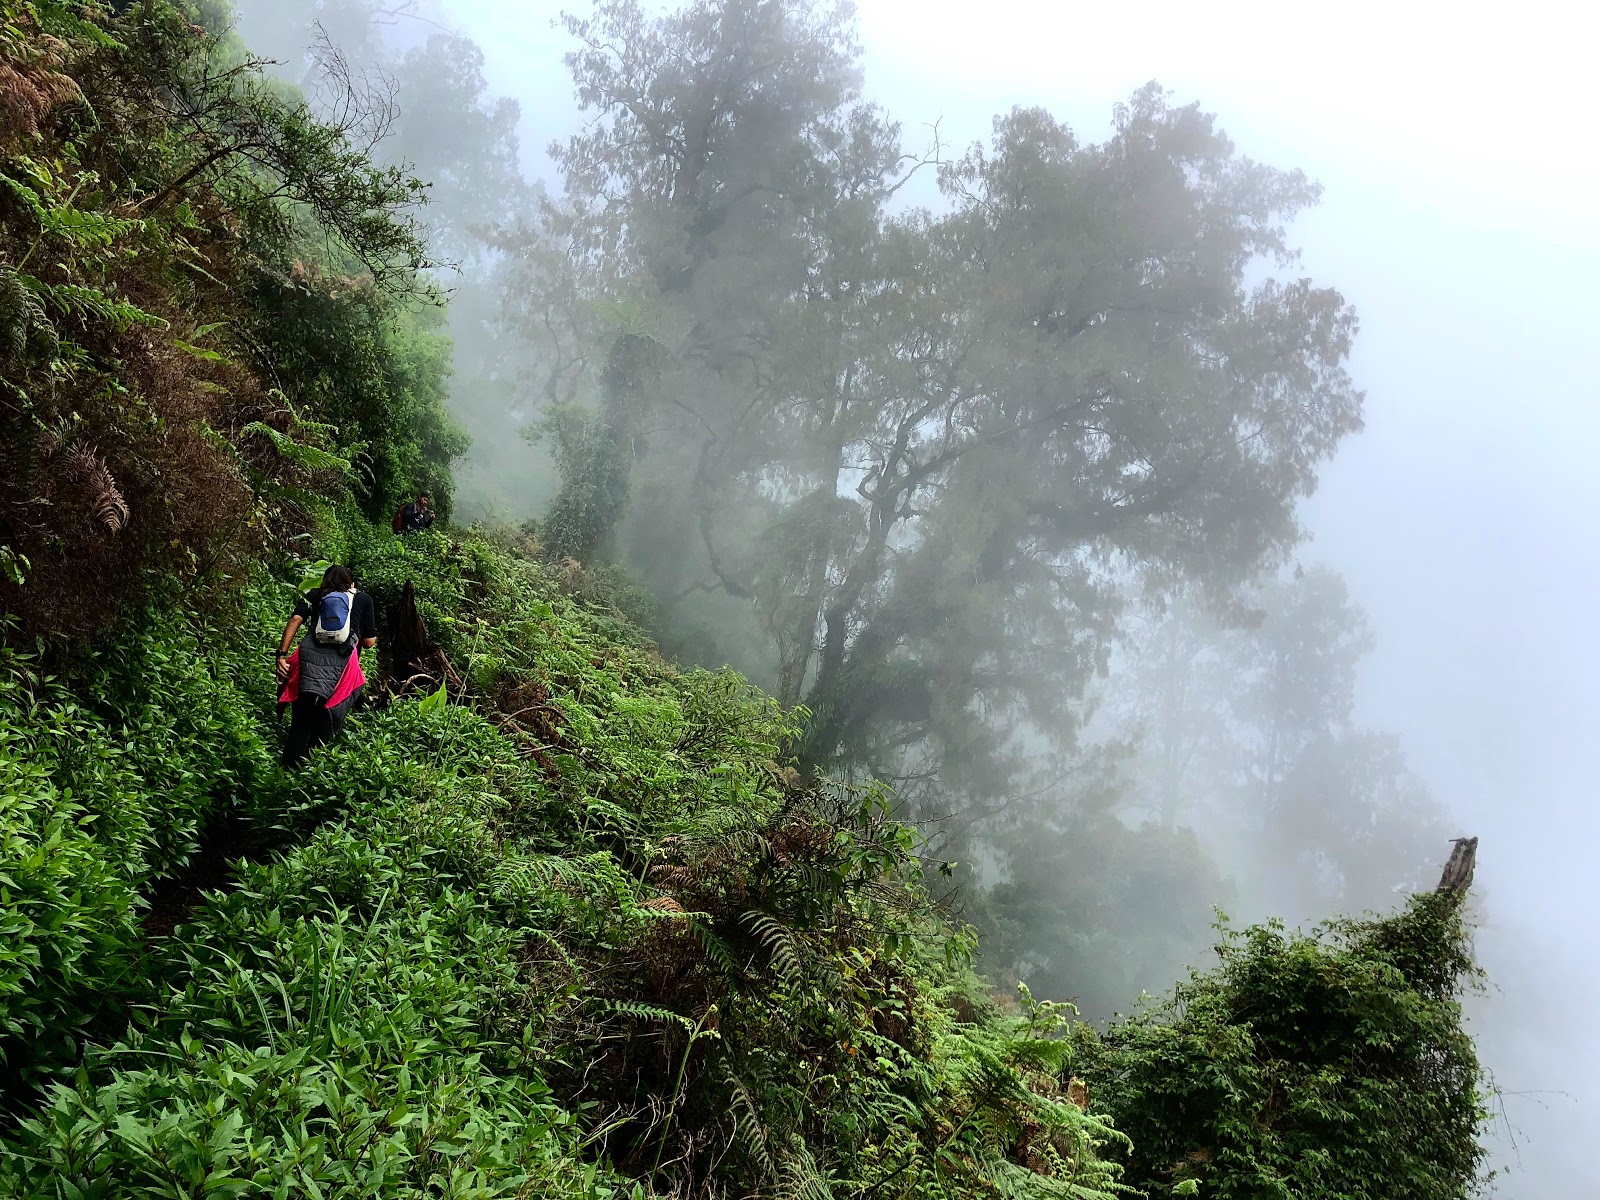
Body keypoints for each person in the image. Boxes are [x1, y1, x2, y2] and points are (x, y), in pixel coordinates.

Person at [274, 564, 378, 767]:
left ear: (325, 582)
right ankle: (313, 771)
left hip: (308, 661)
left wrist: (281, 655)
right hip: (344, 666)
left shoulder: (315, 594)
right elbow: (368, 642)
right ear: (352, 584)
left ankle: (286, 772)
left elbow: (296, 619)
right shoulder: (363, 599)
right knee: (328, 717)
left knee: (300, 722)